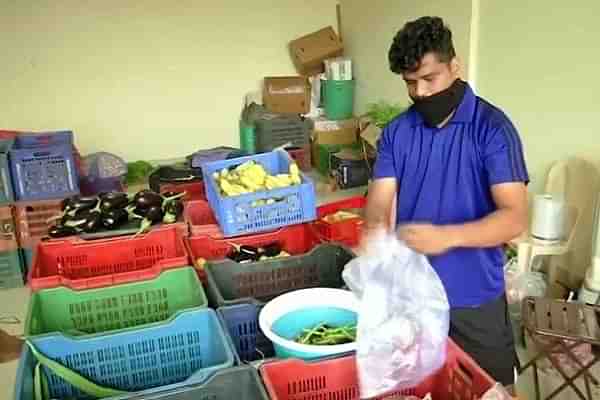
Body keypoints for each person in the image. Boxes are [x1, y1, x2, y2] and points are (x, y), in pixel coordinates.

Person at [365, 16, 529, 393]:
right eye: (410, 83)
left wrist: (447, 237)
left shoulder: (492, 129)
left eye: (430, 78)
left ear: (454, 67)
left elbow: (514, 218)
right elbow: (380, 199)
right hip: (412, 293)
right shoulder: (398, 132)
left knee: (493, 390)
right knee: (423, 386)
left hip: (473, 297)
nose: (420, 93)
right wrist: (376, 230)